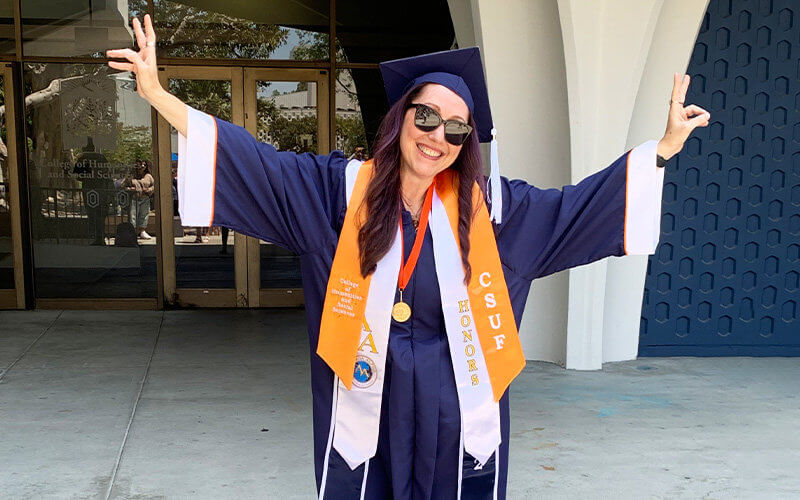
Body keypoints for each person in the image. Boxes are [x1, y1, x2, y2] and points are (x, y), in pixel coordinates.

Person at [108, 14, 710, 499]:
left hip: (460, 407)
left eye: (455, 129)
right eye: (425, 116)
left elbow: (580, 208)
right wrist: (159, 96)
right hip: (366, 399)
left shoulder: (499, 213)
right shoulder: (337, 195)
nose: (436, 137)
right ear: (401, 120)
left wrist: (659, 150)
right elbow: (258, 163)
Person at [124, 159, 155, 239]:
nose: (142, 166)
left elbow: (154, 186)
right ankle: (132, 232)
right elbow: (123, 185)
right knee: (132, 216)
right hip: (134, 198)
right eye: (140, 165)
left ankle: (142, 231)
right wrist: (129, 189)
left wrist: (149, 190)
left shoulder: (148, 176)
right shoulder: (131, 176)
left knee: (144, 215)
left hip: (145, 198)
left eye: (144, 165)